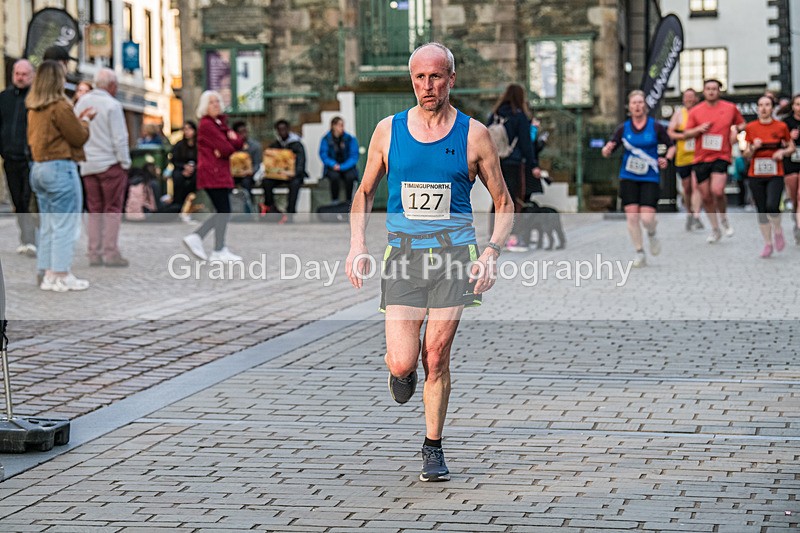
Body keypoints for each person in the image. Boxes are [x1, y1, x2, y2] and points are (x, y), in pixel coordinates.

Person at [345, 42, 513, 482]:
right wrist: (357, 244)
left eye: (436, 76)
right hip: (403, 257)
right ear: (411, 80)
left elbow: (504, 201)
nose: (427, 85)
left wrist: (492, 251)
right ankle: (400, 376)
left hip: (455, 257)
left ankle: (433, 446)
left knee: (435, 356)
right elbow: (363, 191)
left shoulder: (475, 134)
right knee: (403, 362)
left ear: (451, 79)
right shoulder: (388, 130)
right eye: (419, 77)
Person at [26, 60, 95, 291]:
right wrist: (85, 120)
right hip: (59, 168)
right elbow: (77, 137)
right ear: (57, 80)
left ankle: (46, 272)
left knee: (47, 224)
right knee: (66, 224)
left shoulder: (34, 108)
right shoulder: (59, 106)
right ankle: (61, 274)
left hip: (38, 168)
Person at [602, 90, 674, 268]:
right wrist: (607, 150)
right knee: (632, 217)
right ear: (629, 107)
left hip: (650, 176)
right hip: (628, 176)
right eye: (634, 103)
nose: (637, 106)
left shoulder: (655, 126)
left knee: (647, 218)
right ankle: (639, 252)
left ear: (646, 106)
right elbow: (609, 147)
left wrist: (667, 158)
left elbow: (671, 146)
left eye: (641, 102)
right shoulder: (623, 128)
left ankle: (652, 232)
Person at [74, 68, 132, 267]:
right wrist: (125, 162)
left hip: (88, 164)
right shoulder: (112, 105)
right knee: (112, 209)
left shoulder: (82, 102)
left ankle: (94, 252)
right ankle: (110, 252)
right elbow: (120, 138)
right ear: (112, 86)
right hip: (109, 163)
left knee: (94, 209)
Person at [181, 90, 244, 262]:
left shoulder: (220, 123)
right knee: (224, 210)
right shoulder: (208, 125)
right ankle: (204, 240)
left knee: (222, 210)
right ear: (204, 106)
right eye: (211, 102)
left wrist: (228, 142)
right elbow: (227, 149)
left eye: (217, 101)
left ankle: (216, 247)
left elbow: (237, 142)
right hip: (212, 173)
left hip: (220, 172)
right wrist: (227, 144)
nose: (216, 104)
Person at [684, 79, 746, 243]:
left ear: (719, 91)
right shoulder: (696, 111)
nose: (711, 91)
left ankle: (724, 218)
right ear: (703, 92)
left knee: (717, 190)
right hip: (701, 157)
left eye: (714, 89)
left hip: (721, 155)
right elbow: (686, 133)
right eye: (708, 89)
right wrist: (698, 129)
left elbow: (742, 124)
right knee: (706, 196)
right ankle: (715, 228)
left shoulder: (730, 108)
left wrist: (735, 131)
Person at [487, 83, 540, 252]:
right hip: (513, 163)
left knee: (497, 200)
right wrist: (533, 165)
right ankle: (511, 237)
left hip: (495, 163)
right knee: (513, 200)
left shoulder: (494, 115)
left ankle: (493, 235)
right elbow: (526, 144)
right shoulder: (519, 116)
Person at [743, 95, 794, 258]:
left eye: (767, 105)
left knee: (772, 205)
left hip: (775, 172)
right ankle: (768, 243)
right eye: (761, 105)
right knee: (761, 209)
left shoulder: (781, 126)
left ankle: (778, 230)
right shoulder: (751, 127)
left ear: (772, 108)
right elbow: (745, 153)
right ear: (757, 108)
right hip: (755, 173)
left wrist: (782, 152)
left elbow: (791, 147)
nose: (764, 108)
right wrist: (753, 148)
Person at [0, 59, 37, 256]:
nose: (20, 77)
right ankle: (25, 237)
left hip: (30, 158)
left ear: (32, 76)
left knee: (28, 198)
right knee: (18, 200)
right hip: (10, 158)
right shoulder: (4, 98)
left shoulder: (35, 99)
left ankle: (32, 238)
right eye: (17, 74)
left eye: (24, 74)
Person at [667, 88, 704, 231]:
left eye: (691, 97)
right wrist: (683, 136)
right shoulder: (679, 114)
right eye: (686, 97)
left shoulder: (701, 112)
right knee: (687, 188)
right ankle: (689, 213)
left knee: (696, 186)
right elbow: (670, 132)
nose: (688, 99)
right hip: (683, 156)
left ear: (696, 99)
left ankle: (697, 216)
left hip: (698, 155)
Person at [262, 119, 308, 218]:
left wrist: (294, 173)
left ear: (288, 129)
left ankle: (290, 211)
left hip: (293, 175)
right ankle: (270, 207)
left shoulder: (297, 145)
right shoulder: (274, 145)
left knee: (295, 183)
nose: (282, 131)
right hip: (278, 175)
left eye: (284, 129)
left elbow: (301, 162)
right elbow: (270, 163)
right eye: (279, 130)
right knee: (266, 181)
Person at [319, 116, 360, 203]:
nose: (342, 127)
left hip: (346, 166)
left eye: (342, 125)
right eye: (339, 125)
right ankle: (335, 201)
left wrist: (342, 167)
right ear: (333, 126)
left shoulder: (350, 139)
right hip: (332, 167)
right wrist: (333, 164)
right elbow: (323, 154)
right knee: (334, 177)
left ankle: (349, 201)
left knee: (350, 177)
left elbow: (354, 156)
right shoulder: (326, 139)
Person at [170, 121, 198, 222]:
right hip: (181, 169)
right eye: (185, 129)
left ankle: (191, 204)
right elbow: (174, 160)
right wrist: (184, 167)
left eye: (189, 129)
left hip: (196, 170)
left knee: (196, 179)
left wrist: (193, 168)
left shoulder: (199, 145)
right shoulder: (179, 145)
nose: (187, 132)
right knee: (178, 178)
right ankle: (177, 205)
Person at [782, 94, 800, 244]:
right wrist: (789, 138)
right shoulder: (786, 123)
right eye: (798, 104)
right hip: (790, 163)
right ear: (793, 106)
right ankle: (796, 216)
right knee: (794, 196)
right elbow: (779, 143)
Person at [231, 120, 262, 193]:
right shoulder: (231, 146)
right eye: (240, 133)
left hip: (248, 175)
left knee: (246, 182)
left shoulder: (255, 146)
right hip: (234, 174)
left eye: (245, 131)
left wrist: (250, 171)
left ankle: (248, 203)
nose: (244, 134)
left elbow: (257, 163)